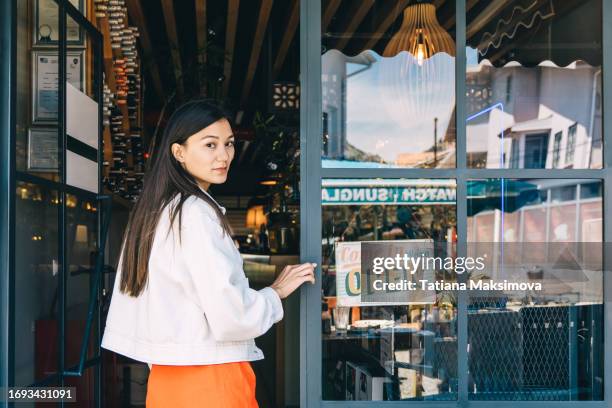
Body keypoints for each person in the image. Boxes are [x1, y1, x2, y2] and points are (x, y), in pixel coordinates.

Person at [101, 100, 316, 407]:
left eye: (228, 144)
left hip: (167, 380)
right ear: (179, 152)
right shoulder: (195, 214)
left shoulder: (156, 211)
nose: (223, 155)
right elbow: (232, 315)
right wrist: (276, 291)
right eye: (210, 144)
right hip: (212, 380)